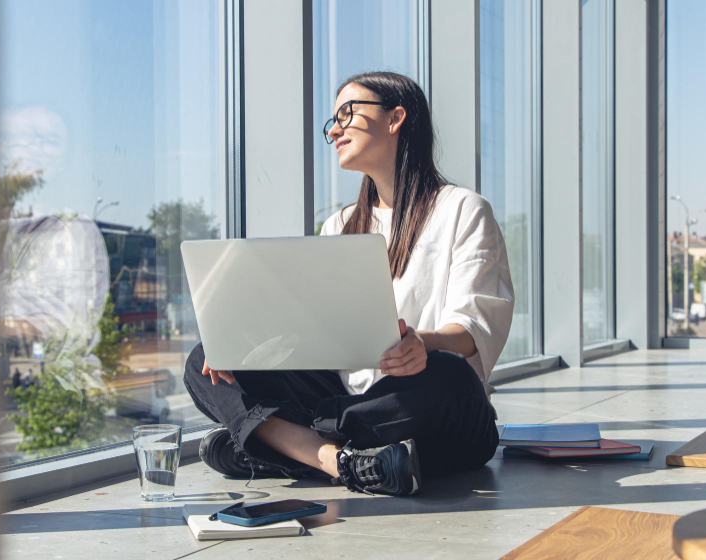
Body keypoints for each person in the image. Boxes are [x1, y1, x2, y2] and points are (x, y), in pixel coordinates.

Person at [183, 71, 514, 496]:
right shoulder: (339, 225)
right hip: (346, 393)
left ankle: (279, 444)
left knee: (451, 377)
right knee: (204, 362)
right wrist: (240, 348)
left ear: (396, 118)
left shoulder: (463, 210)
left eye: (347, 113)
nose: (335, 129)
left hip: (422, 406)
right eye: (332, 122)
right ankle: (339, 461)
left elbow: (475, 328)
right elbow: (311, 332)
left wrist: (421, 345)